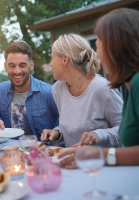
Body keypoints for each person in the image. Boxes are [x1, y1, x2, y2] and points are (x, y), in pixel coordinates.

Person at [59, 8, 139, 167]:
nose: (98, 55)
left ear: (116, 47)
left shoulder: (137, 82)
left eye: (98, 47)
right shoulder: (127, 85)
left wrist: (96, 155)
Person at [40, 33, 123, 148]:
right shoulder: (57, 89)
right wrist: (57, 132)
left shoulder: (103, 88)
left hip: (103, 162)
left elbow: (125, 130)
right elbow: (72, 127)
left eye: (52, 57)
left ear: (65, 59)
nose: (50, 64)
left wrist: (98, 135)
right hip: (72, 162)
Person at [0, 41, 59, 140]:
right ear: (5, 66)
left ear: (31, 65)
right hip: (12, 152)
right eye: (12, 66)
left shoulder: (49, 92)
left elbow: (65, 127)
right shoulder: (1, 90)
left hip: (42, 152)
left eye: (22, 65)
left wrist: (57, 134)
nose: (17, 71)